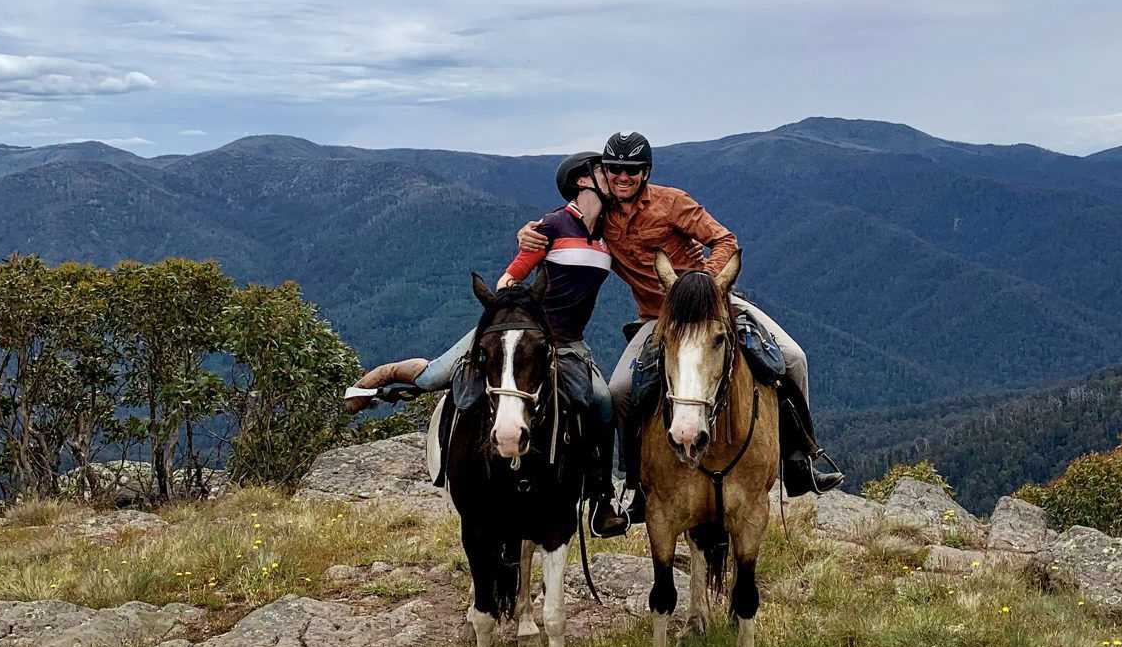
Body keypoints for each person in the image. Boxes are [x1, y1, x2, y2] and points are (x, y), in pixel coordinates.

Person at [517, 132, 844, 524]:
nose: (623, 177)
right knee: (621, 391)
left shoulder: (672, 202)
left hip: (710, 306)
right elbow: (564, 223)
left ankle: (799, 459)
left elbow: (723, 238)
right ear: (604, 172)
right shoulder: (600, 215)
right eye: (616, 169)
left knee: (792, 358)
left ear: (646, 172)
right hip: (657, 317)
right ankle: (639, 484)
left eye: (633, 170)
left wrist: (703, 283)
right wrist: (529, 235)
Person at [350, 152, 628, 537]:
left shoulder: (610, 235)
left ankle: (601, 496)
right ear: (582, 181)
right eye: (604, 171)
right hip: (517, 332)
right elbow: (507, 281)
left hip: (569, 344)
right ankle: (386, 373)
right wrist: (523, 320)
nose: (613, 177)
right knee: (435, 378)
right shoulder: (551, 225)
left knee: (601, 402)